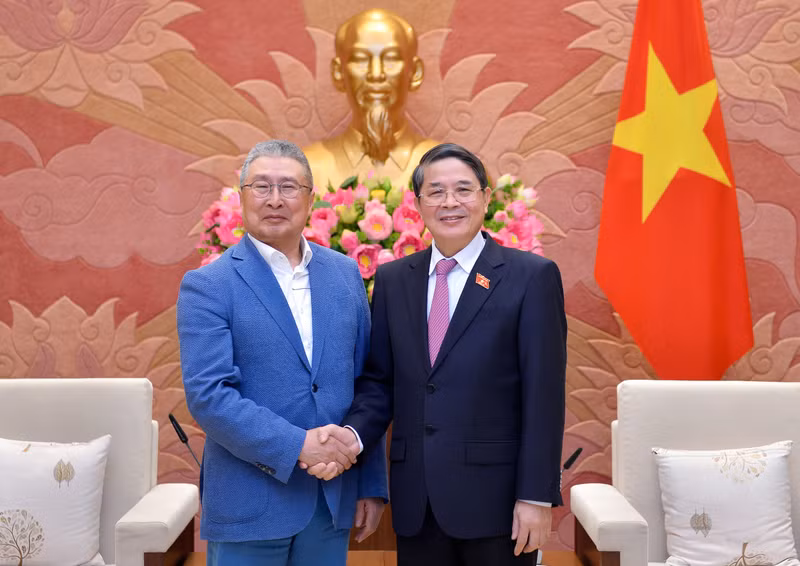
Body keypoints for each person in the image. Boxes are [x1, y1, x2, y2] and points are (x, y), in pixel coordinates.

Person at [307, 143, 567, 565]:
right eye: (436, 191)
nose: (450, 202)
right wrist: (351, 438)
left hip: (499, 505)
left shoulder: (529, 277)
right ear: (418, 203)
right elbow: (380, 382)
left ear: (485, 197)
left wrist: (536, 495)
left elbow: (545, 395)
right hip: (418, 503)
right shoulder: (394, 281)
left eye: (463, 190)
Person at [176, 140, 388, 566]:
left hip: (331, 501)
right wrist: (297, 445)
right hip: (248, 502)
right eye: (261, 186)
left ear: (310, 199)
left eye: (289, 187)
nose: (275, 199)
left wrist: (370, 484)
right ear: (241, 198)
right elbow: (209, 396)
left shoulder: (346, 275)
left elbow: (368, 381)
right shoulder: (209, 286)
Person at [303, 9, 438, 189]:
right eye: (360, 60)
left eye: (391, 59)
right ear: (338, 73)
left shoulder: (452, 172)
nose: (376, 74)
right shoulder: (307, 171)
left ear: (414, 73)